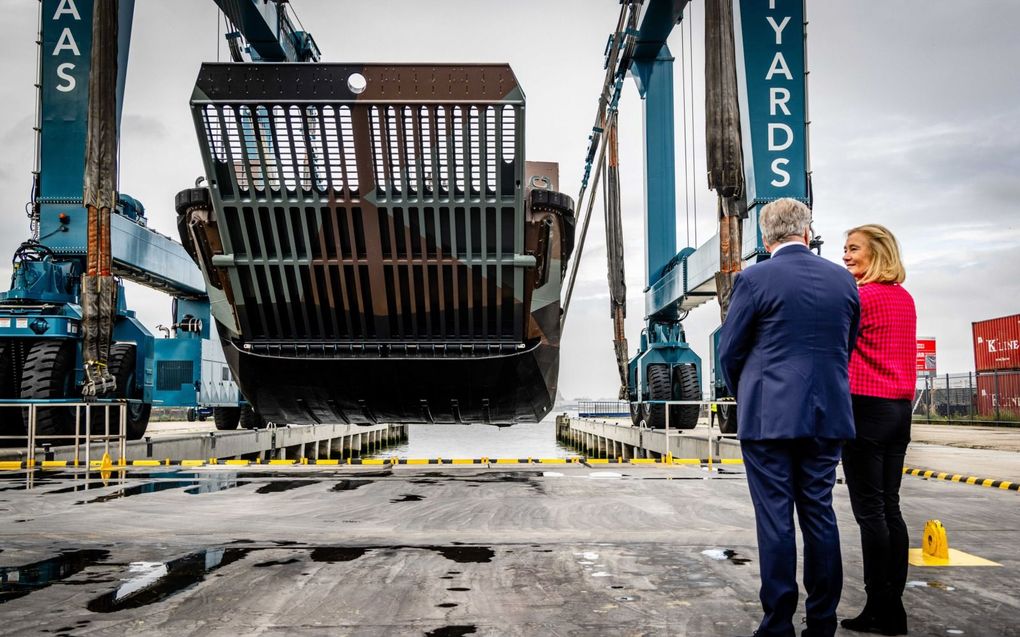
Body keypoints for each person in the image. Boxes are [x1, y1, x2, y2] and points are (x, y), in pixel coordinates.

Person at [719, 197, 860, 637]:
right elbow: (847, 344)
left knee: (775, 518)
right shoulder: (843, 281)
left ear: (765, 237)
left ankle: (778, 622)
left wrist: (746, 391)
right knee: (820, 513)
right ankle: (822, 622)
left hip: (769, 419)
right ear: (807, 231)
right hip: (828, 415)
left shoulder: (755, 279)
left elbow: (730, 351)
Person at [839, 225, 916, 636]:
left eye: (854, 249)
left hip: (865, 407)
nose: (846, 256)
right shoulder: (904, 298)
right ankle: (893, 607)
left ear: (877, 253)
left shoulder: (860, 297)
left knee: (870, 512)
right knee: (890, 506)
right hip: (898, 412)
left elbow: (839, 348)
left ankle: (879, 607)